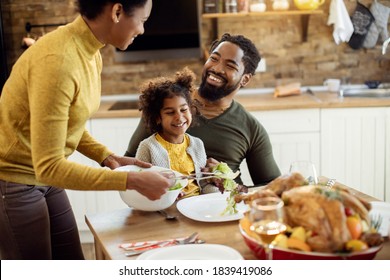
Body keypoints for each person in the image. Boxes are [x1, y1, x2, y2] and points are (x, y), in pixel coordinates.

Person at [0, 0, 172, 260]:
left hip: (44, 177)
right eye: (143, 20)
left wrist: (106, 157)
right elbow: (49, 166)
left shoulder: (90, 52)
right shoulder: (59, 61)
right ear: (116, 12)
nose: (142, 30)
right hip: (15, 179)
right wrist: (130, 180)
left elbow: (68, 123)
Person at [125, 33, 281, 186]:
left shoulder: (250, 128)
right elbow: (129, 164)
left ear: (245, 79)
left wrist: (228, 181)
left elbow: (272, 185)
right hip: (166, 205)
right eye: (214, 58)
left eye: (230, 65)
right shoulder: (166, 104)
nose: (217, 68)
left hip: (220, 207)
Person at [135, 67, 209, 198]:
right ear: (157, 117)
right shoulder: (147, 147)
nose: (179, 117)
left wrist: (223, 185)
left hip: (197, 204)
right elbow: (139, 188)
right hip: (166, 209)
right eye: (170, 112)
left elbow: (204, 185)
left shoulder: (197, 144)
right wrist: (168, 194)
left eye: (183, 110)